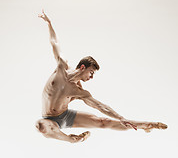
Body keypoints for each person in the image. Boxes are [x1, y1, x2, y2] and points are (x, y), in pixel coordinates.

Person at [35, 10, 167, 143]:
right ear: (82, 67)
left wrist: (121, 118)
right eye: (91, 72)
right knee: (40, 126)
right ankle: (72, 139)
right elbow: (54, 43)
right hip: (49, 120)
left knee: (103, 122)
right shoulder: (62, 68)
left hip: (66, 116)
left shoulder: (79, 91)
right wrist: (49, 23)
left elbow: (100, 106)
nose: (91, 77)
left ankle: (146, 125)